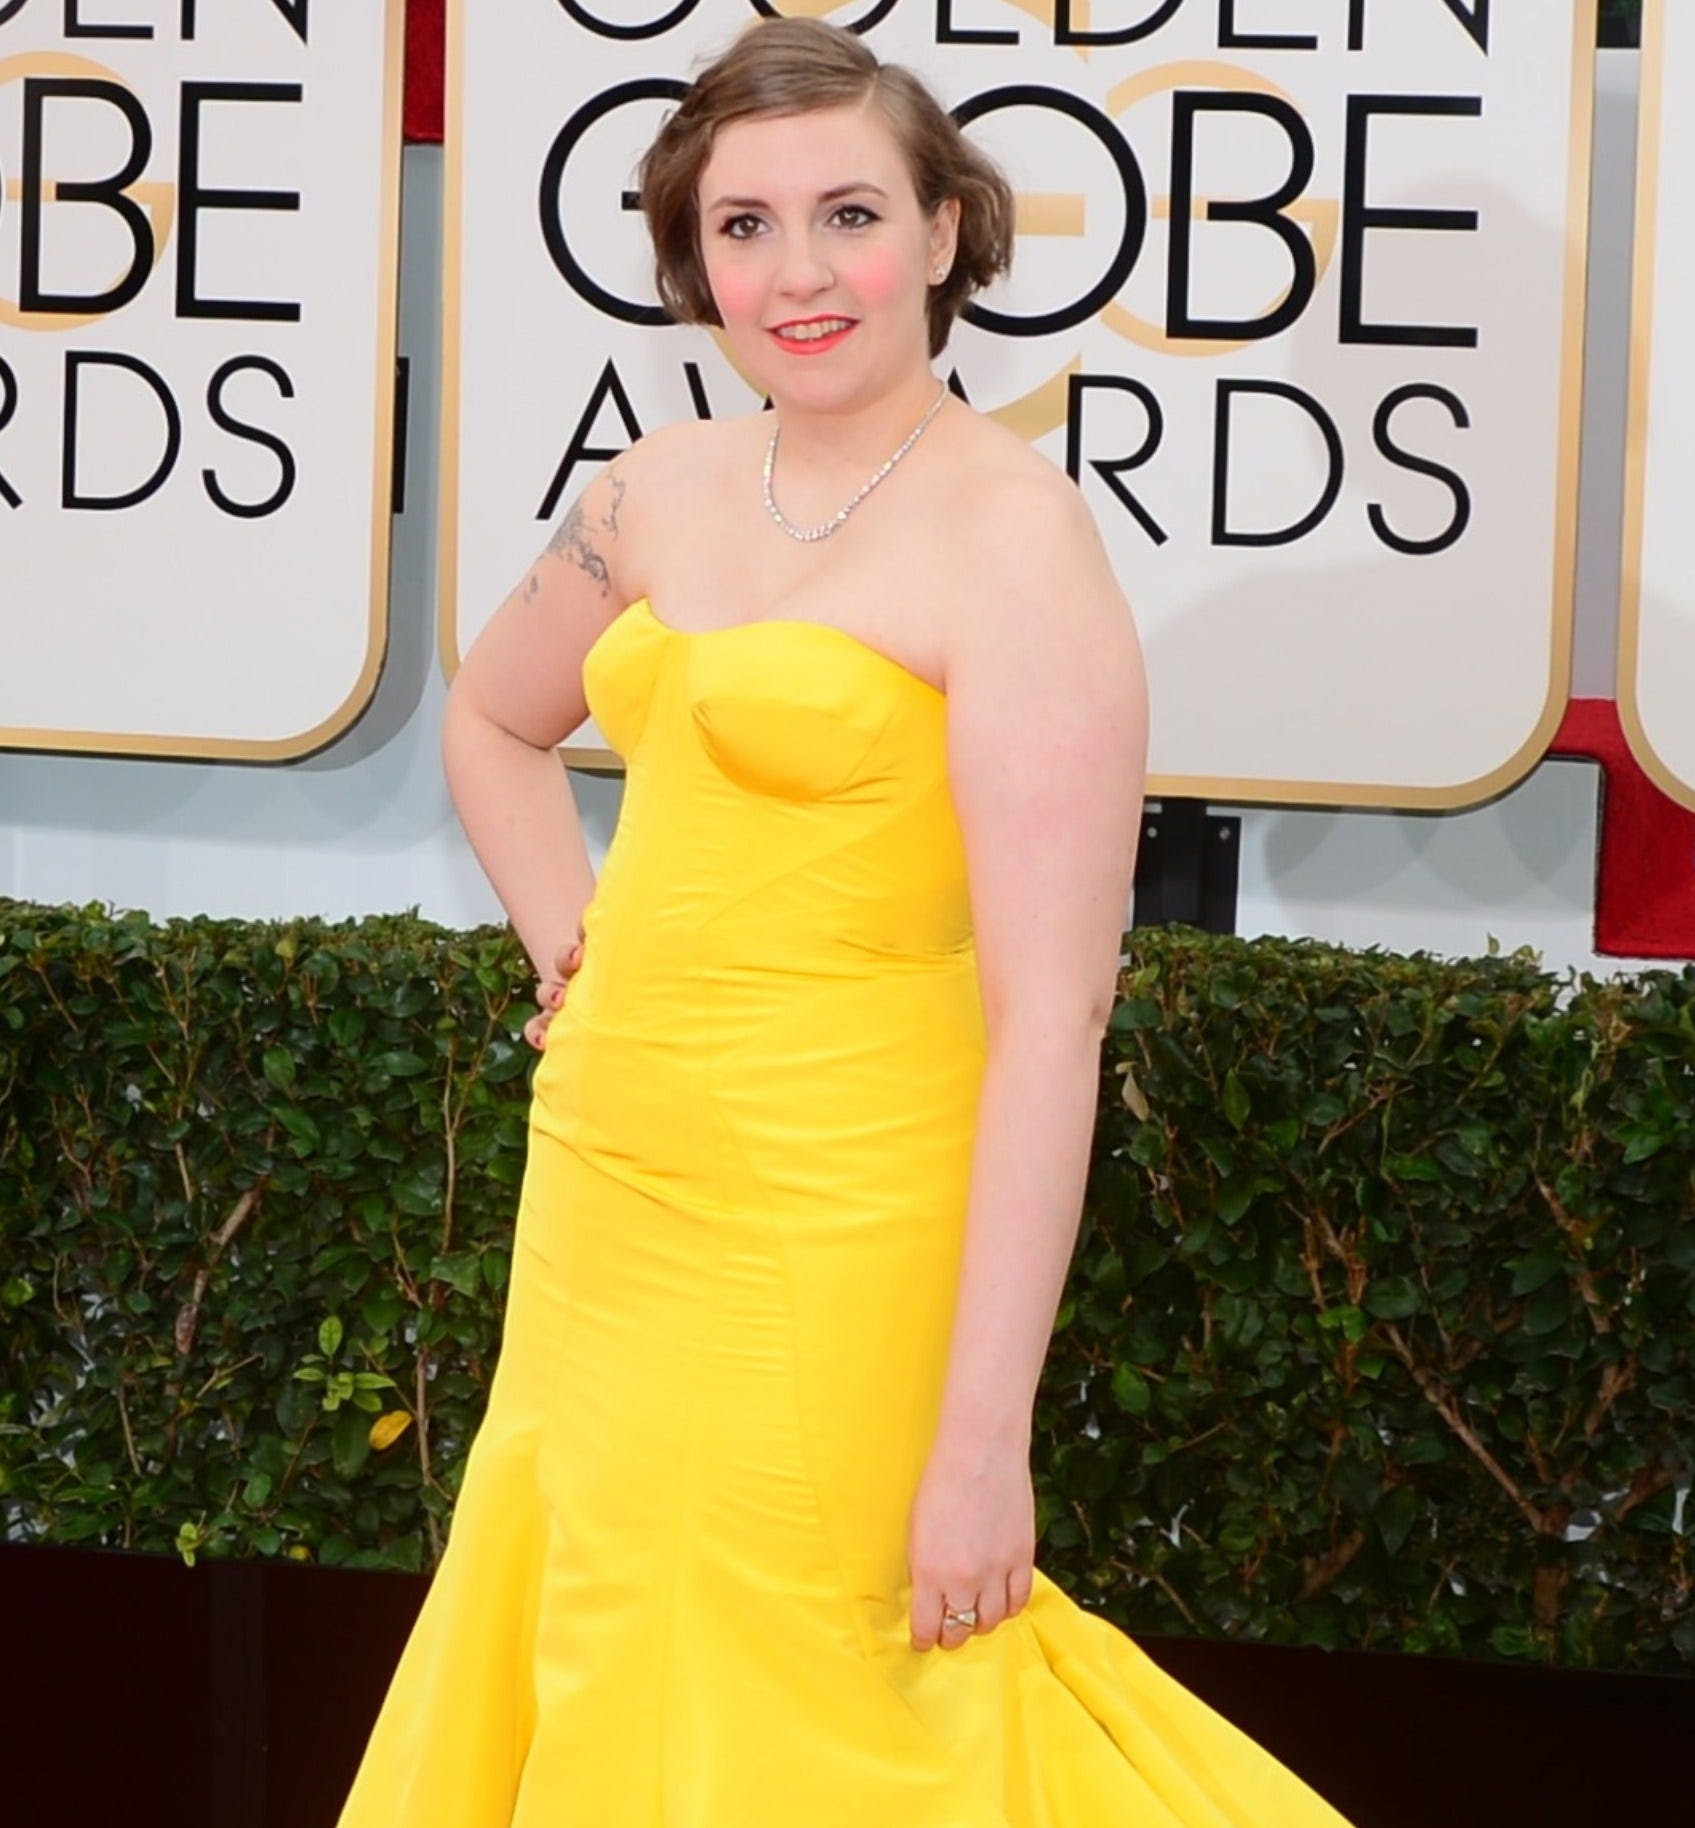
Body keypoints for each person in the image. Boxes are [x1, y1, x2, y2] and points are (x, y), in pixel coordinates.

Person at [335, 16, 1359, 1826]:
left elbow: (1055, 1029)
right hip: (605, 1202)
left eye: (848, 215)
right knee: (599, 1632)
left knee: (848, 1699)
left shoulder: (1015, 543)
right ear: (692, 256)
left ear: (947, 232)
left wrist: (984, 1445)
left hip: (845, 1221)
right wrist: (579, 953)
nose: (796, 274)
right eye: (742, 227)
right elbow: (490, 719)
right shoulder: (655, 488)